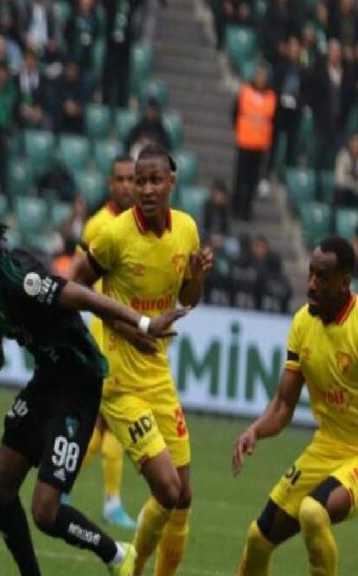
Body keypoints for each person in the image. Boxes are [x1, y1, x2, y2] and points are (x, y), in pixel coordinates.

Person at [0, 197, 189, 575]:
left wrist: (143, 323)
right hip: (47, 379)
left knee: (45, 511)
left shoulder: (22, 278)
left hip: (80, 383)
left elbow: (85, 297)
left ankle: (118, 555)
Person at [69, 143, 214, 575]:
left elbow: (188, 298)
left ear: (172, 182)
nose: (146, 189)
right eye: (139, 181)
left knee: (183, 494)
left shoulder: (186, 229)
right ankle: (133, 568)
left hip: (158, 374)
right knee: (167, 489)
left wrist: (196, 279)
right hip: (118, 381)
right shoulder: (114, 234)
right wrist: (124, 325)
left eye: (154, 181)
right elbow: (76, 286)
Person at [234, 236, 358, 576]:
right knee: (258, 539)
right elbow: (284, 403)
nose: (312, 284)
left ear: (344, 282)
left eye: (322, 278)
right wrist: (255, 430)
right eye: (311, 274)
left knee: (313, 513)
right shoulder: (303, 322)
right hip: (327, 447)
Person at [69, 156, 138, 529]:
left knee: (101, 423)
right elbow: (74, 278)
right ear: (111, 184)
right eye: (120, 180)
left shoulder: (140, 225)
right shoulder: (99, 224)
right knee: (111, 422)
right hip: (104, 335)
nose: (127, 186)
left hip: (128, 338)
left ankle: (62, 485)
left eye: (132, 179)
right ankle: (108, 501)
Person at [231, 65, 276, 221]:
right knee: (240, 178)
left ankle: (247, 210)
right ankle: (236, 207)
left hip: (260, 144)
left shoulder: (271, 96)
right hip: (245, 141)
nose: (261, 79)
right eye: (259, 75)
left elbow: (273, 119)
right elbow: (235, 113)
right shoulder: (245, 92)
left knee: (252, 180)